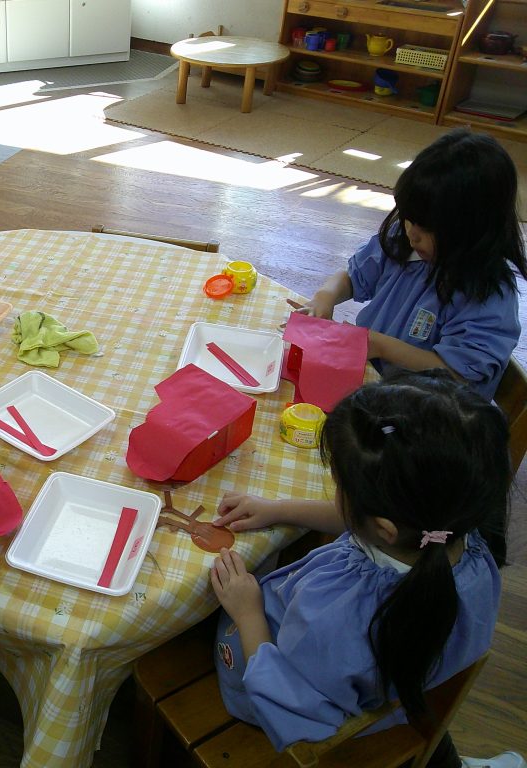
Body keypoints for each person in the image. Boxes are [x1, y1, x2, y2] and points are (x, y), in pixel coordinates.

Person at [210, 370, 519, 768]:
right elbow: (365, 519)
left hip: (277, 693)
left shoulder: (338, 622)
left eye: (340, 486)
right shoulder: (454, 532)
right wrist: (279, 509)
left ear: (384, 528)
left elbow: (288, 703)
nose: (339, 494)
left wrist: (249, 613)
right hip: (397, 693)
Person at [299, 129, 526, 400]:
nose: (411, 233)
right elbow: (352, 277)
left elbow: (458, 375)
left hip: (427, 411)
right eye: (409, 217)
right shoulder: (403, 242)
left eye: (425, 227)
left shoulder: (486, 295)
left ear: (472, 231)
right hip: (374, 386)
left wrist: (382, 346)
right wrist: (325, 297)